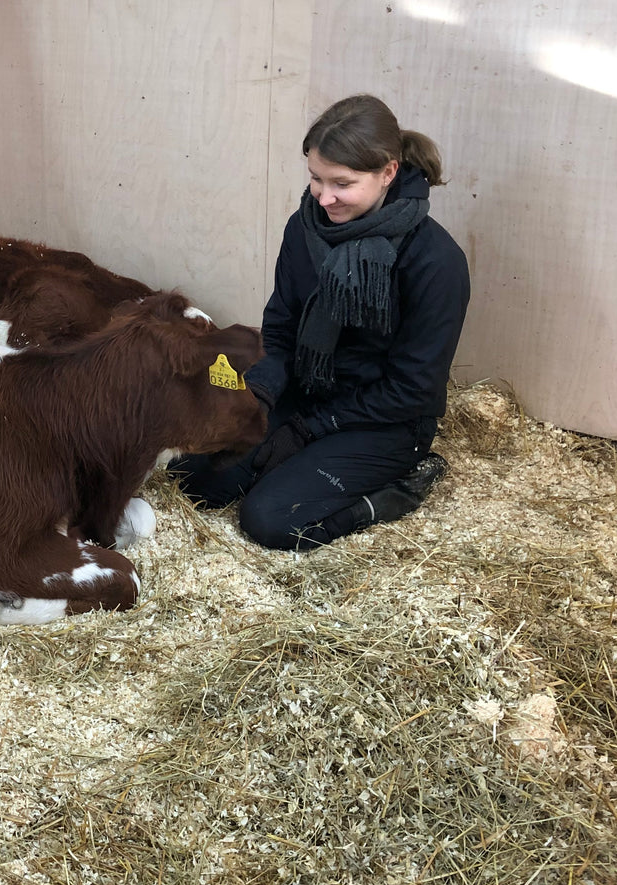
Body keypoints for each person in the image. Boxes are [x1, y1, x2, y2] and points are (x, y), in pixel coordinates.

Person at [172, 94, 470, 549]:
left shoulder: (436, 261)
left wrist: (308, 430)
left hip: (386, 421)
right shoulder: (304, 226)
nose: (323, 197)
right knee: (193, 481)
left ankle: (393, 492)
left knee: (271, 520)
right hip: (309, 391)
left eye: (342, 184)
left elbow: (413, 390)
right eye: (315, 178)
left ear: (388, 172)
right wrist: (261, 396)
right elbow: (280, 328)